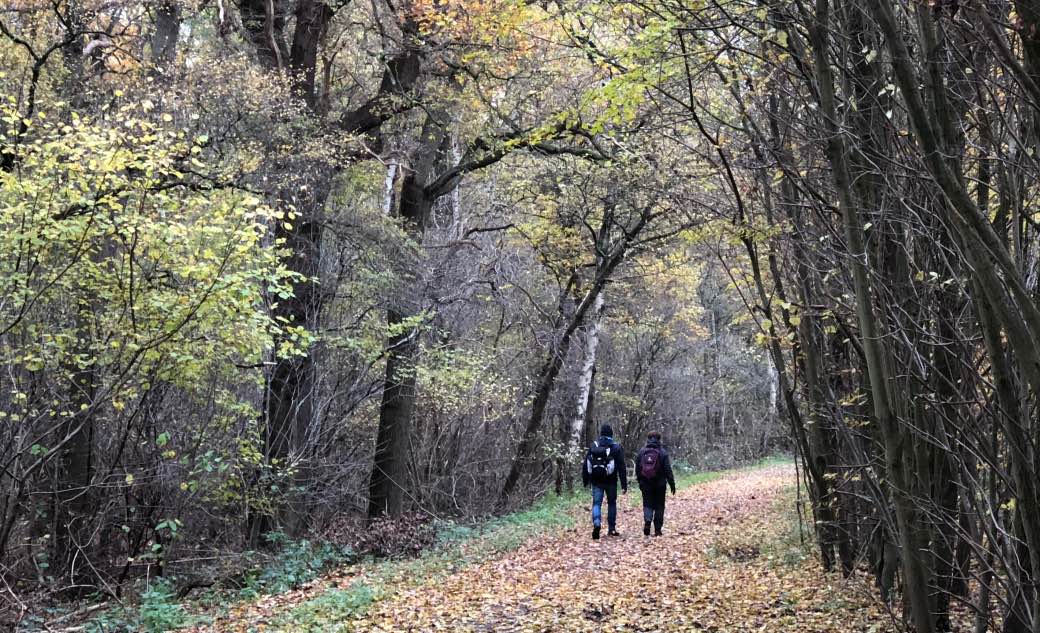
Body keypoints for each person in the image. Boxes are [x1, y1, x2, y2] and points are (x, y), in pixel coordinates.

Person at [582, 423, 628, 539]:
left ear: (601, 434)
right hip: (611, 481)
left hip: (596, 481)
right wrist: (624, 484)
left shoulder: (594, 445)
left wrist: (586, 480)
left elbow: (586, 464)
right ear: (611, 434)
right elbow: (622, 467)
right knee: (611, 503)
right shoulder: (616, 447)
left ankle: (597, 523)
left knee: (596, 503)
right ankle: (611, 529)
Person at [635, 431, 675, 536]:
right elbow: (668, 470)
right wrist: (672, 483)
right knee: (659, 505)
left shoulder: (642, 451)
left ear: (648, 439)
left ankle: (648, 521)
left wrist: (640, 480)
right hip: (660, 484)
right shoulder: (662, 452)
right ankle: (657, 530)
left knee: (647, 503)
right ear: (659, 439)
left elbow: (638, 468)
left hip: (645, 483)